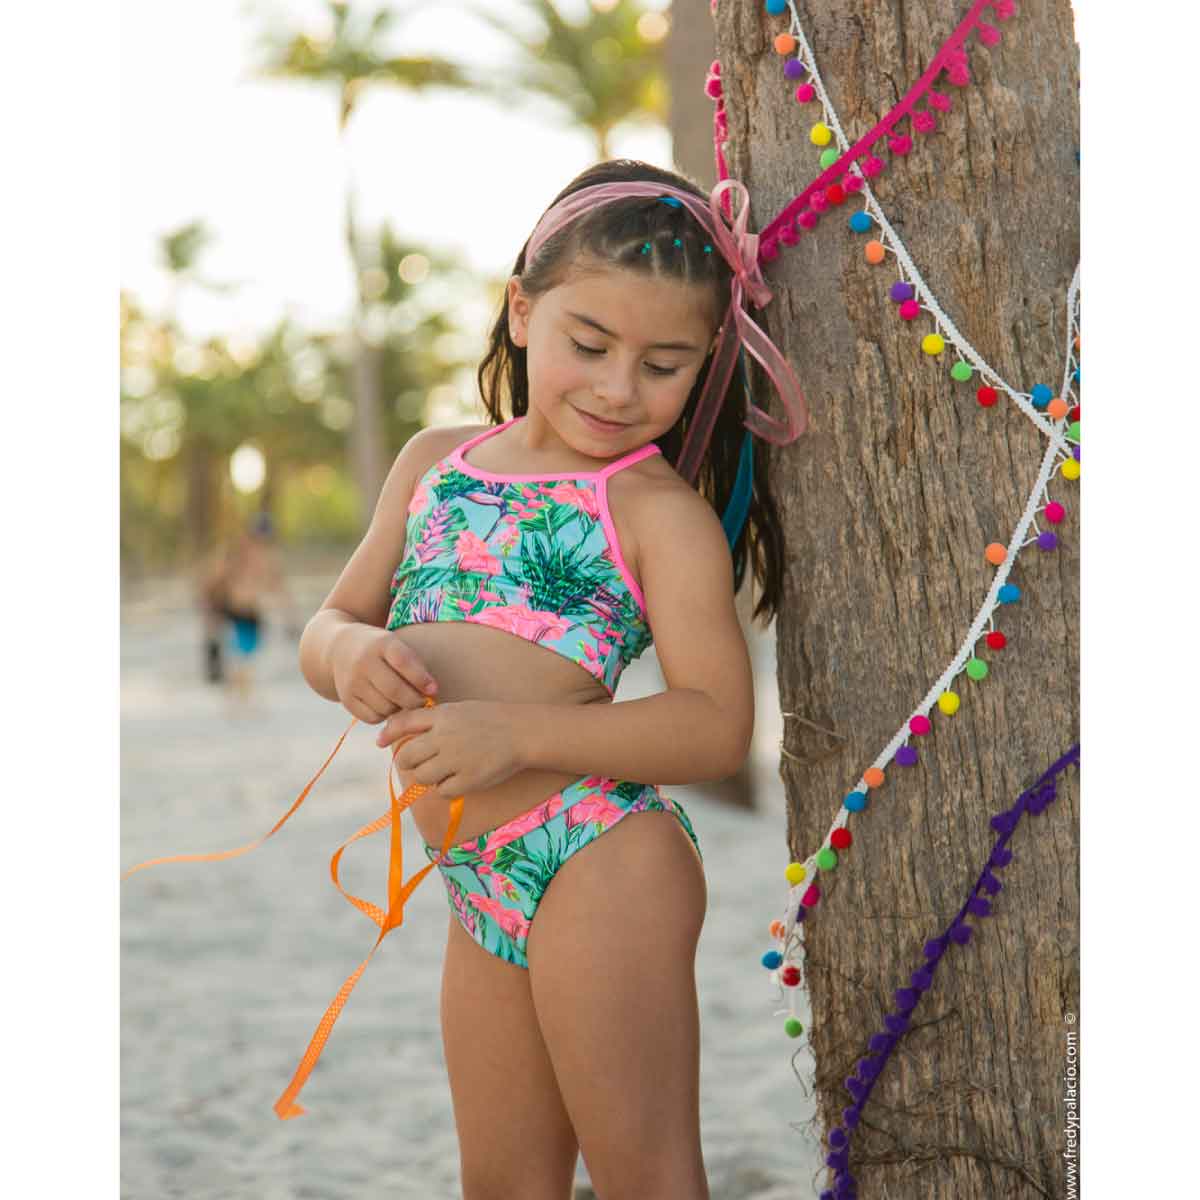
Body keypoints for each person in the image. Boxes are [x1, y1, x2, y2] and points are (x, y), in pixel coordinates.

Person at [297, 159, 808, 1200]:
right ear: (523, 311)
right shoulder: (436, 463)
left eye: (663, 365)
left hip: (599, 858)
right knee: (502, 1185)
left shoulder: (653, 514)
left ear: (707, 364)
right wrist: (346, 655)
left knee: (645, 1176)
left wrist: (517, 736)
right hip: (475, 877)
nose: (619, 388)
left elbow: (716, 724)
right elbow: (332, 620)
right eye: (591, 345)